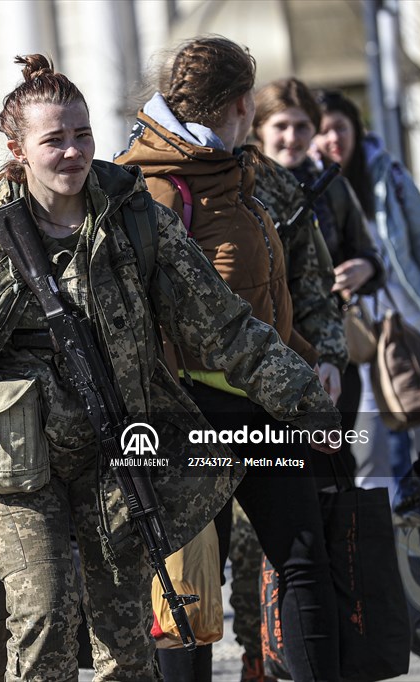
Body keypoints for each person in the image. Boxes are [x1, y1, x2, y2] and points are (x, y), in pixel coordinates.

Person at [0, 54, 340, 681]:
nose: (72, 152)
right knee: (42, 625)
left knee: (125, 644)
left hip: (115, 454)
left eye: (82, 134)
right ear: (18, 149)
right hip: (19, 466)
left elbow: (222, 322)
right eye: (53, 140)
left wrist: (304, 399)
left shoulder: (134, 220)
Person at [116, 36, 344, 682]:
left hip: (265, 403)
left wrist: (309, 366)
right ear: (243, 102)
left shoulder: (242, 173)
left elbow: (275, 297)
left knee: (300, 559)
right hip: (190, 413)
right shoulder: (152, 186)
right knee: (191, 584)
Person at [314, 90, 420, 492]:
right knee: (367, 450)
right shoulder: (302, 188)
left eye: (340, 127)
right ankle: (383, 542)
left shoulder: (384, 174)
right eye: (322, 131)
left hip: (413, 324)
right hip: (354, 341)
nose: (333, 139)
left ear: (356, 130)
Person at [254, 77, 385, 471]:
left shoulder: (333, 187)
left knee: (338, 476)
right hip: (268, 358)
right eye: (281, 126)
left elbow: (369, 254)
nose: (291, 137)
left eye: (302, 126)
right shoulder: (241, 187)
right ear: (259, 129)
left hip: (331, 355)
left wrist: (366, 267)